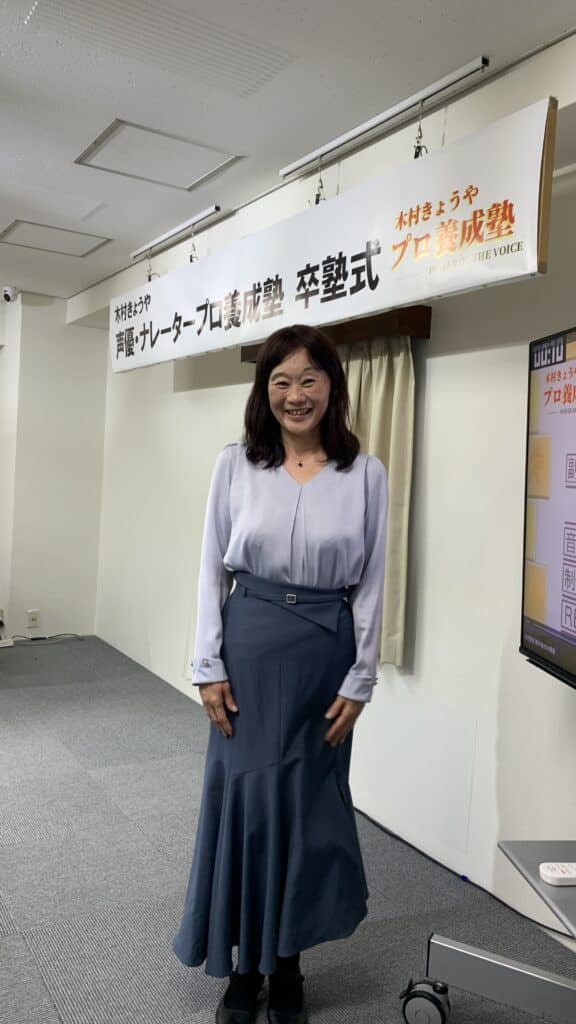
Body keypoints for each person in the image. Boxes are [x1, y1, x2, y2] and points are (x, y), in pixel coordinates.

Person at [172, 324, 388, 1024]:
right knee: (246, 804)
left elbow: (373, 584)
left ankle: (288, 962)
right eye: (281, 381)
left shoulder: (366, 474)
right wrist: (207, 664)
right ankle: (242, 967)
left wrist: (361, 678)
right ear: (264, 391)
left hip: (325, 656)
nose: (296, 394)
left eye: (309, 379)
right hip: (249, 650)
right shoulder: (236, 465)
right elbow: (211, 569)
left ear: (332, 387)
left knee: (305, 809)